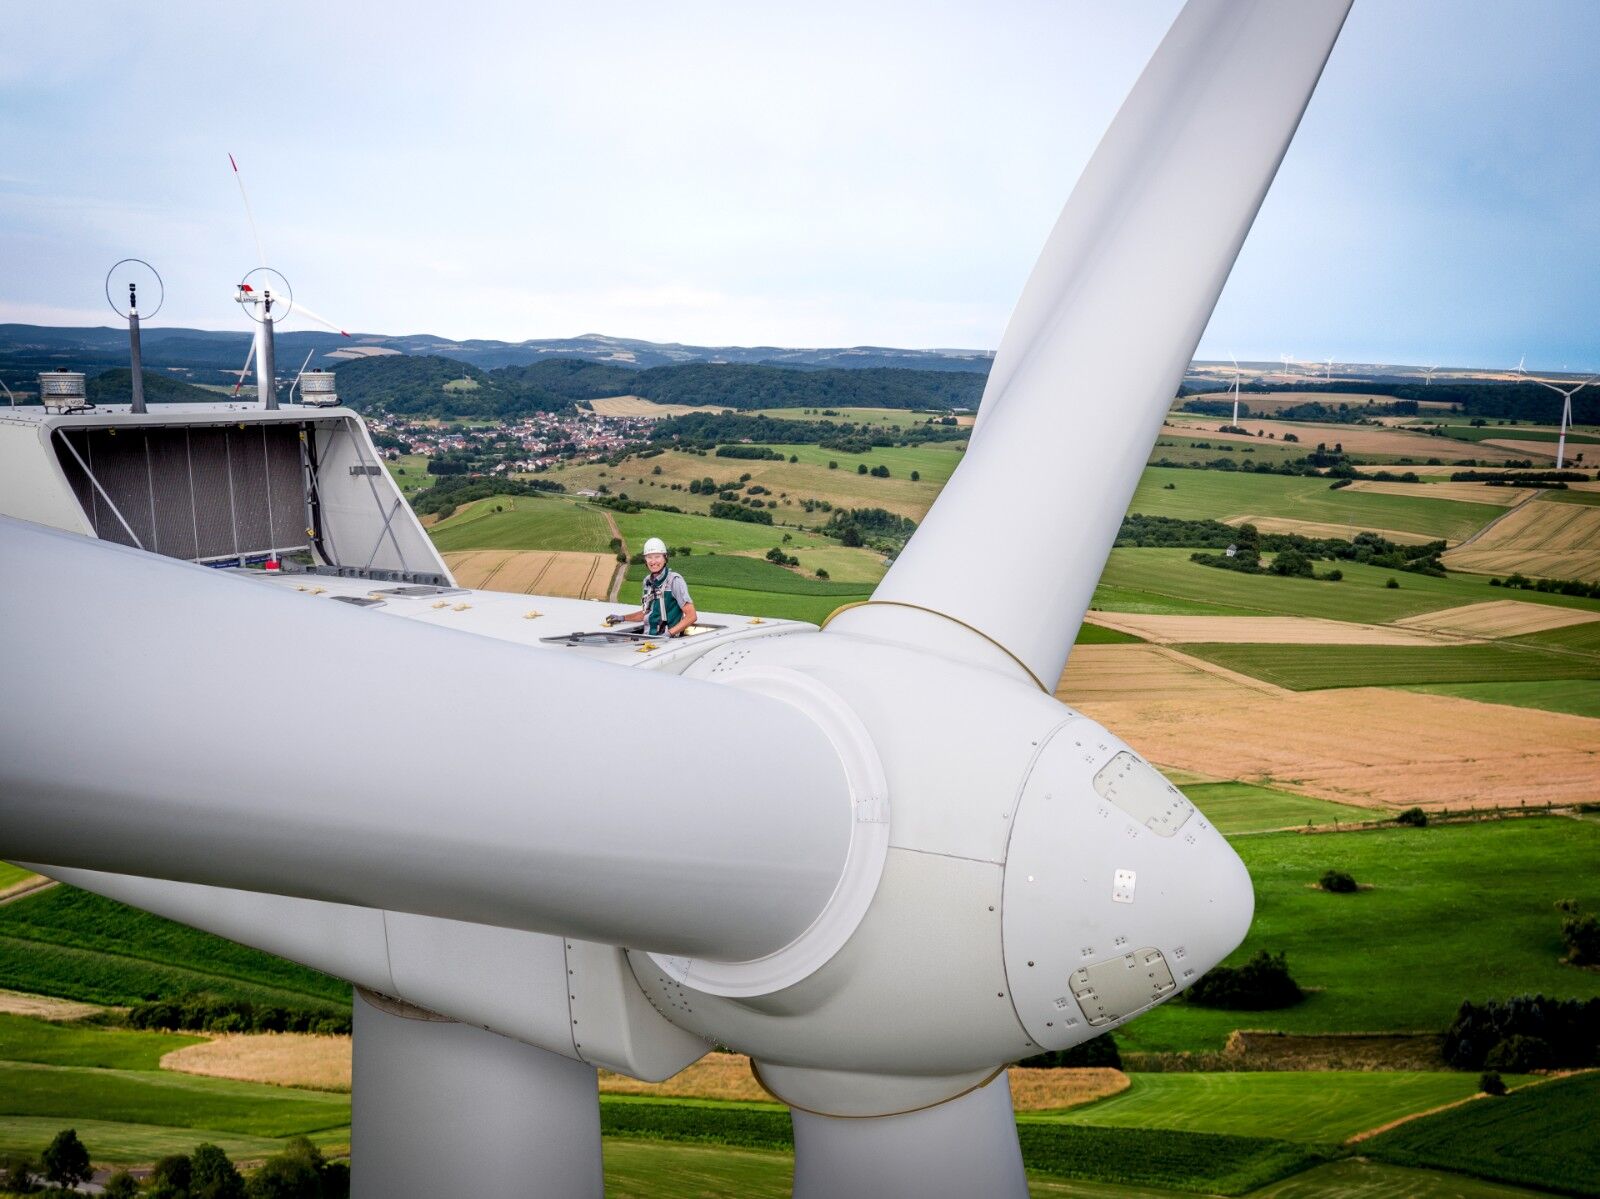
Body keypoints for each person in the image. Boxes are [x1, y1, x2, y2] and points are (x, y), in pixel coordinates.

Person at [607, 537, 697, 637]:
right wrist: (622, 618)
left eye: (657, 557)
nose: (653, 561)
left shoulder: (674, 581)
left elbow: (691, 616)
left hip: (667, 641)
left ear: (665, 557)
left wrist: (668, 634)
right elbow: (646, 613)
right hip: (648, 637)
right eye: (649, 557)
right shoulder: (647, 582)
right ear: (645, 560)